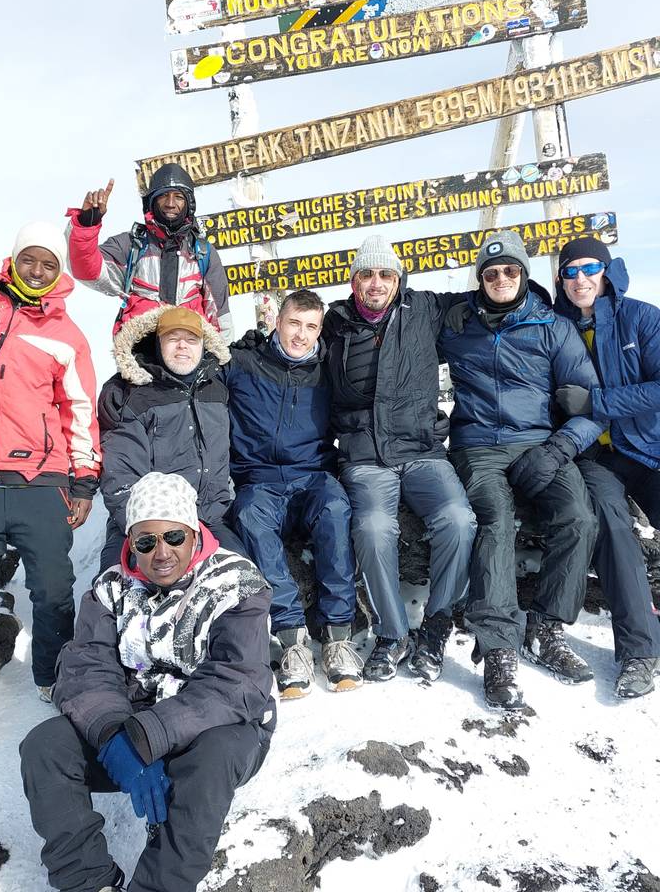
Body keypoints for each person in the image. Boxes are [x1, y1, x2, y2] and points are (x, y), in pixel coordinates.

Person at [20, 472, 274, 892]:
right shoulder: (110, 590)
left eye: (174, 538)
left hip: (218, 726)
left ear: (194, 532)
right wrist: (113, 735)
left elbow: (238, 679)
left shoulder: (237, 586)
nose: (161, 553)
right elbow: (84, 669)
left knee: (208, 768)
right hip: (130, 728)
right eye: (146, 541)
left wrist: (148, 737)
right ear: (130, 542)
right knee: (45, 746)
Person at [0, 222, 101, 769]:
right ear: (12, 260)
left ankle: (53, 679)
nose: (37, 270)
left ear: (58, 273)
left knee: (54, 591)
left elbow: (80, 412)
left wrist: (83, 483)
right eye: (29, 259)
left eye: (48, 264)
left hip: (41, 485)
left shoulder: (66, 335)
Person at [438, 230, 601, 709]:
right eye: (491, 273)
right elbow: (399, 323)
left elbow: (590, 406)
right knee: (495, 521)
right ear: (480, 281)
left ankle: (547, 627)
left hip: (539, 443)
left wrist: (559, 448)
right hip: (478, 446)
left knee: (578, 516)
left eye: (510, 270)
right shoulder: (457, 323)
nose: (501, 279)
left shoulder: (552, 327)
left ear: (524, 275)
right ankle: (499, 649)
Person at [323, 235, 477, 684]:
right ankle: (392, 635)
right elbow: (294, 336)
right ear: (354, 281)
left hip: (423, 451)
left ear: (399, 279)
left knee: (458, 520)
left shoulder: (426, 309)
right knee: (372, 529)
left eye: (385, 275)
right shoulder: (335, 323)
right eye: (366, 275)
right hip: (366, 457)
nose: (376, 284)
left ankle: (435, 625)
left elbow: (488, 300)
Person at [226, 289, 362, 699]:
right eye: (293, 323)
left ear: (320, 329)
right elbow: (193, 370)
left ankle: (339, 636)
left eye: (310, 326)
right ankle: (292, 639)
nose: (301, 335)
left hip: (311, 477)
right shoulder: (242, 363)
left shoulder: (329, 370)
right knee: (249, 515)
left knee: (336, 507)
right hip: (260, 481)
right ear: (276, 321)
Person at [554, 236, 660, 698]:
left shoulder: (642, 317)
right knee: (613, 528)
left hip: (649, 445)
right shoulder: (555, 325)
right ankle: (640, 652)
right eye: (570, 271)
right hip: (595, 457)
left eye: (589, 268)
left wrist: (598, 401)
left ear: (607, 270)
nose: (580, 279)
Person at [97, 304, 242, 570]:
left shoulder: (217, 388)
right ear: (157, 343)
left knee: (244, 585)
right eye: (173, 339)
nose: (182, 347)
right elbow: (121, 477)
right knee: (116, 588)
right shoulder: (129, 393)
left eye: (191, 340)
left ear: (203, 345)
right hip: (151, 523)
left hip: (209, 517)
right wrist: (145, 529)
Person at [66, 165, 233, 341]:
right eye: (163, 196)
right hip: (139, 358)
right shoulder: (130, 245)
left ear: (189, 204)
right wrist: (86, 223)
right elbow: (85, 271)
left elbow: (220, 318)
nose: (170, 203)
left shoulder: (203, 253)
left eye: (178, 197)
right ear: (151, 203)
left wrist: (223, 362)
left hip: (190, 355)